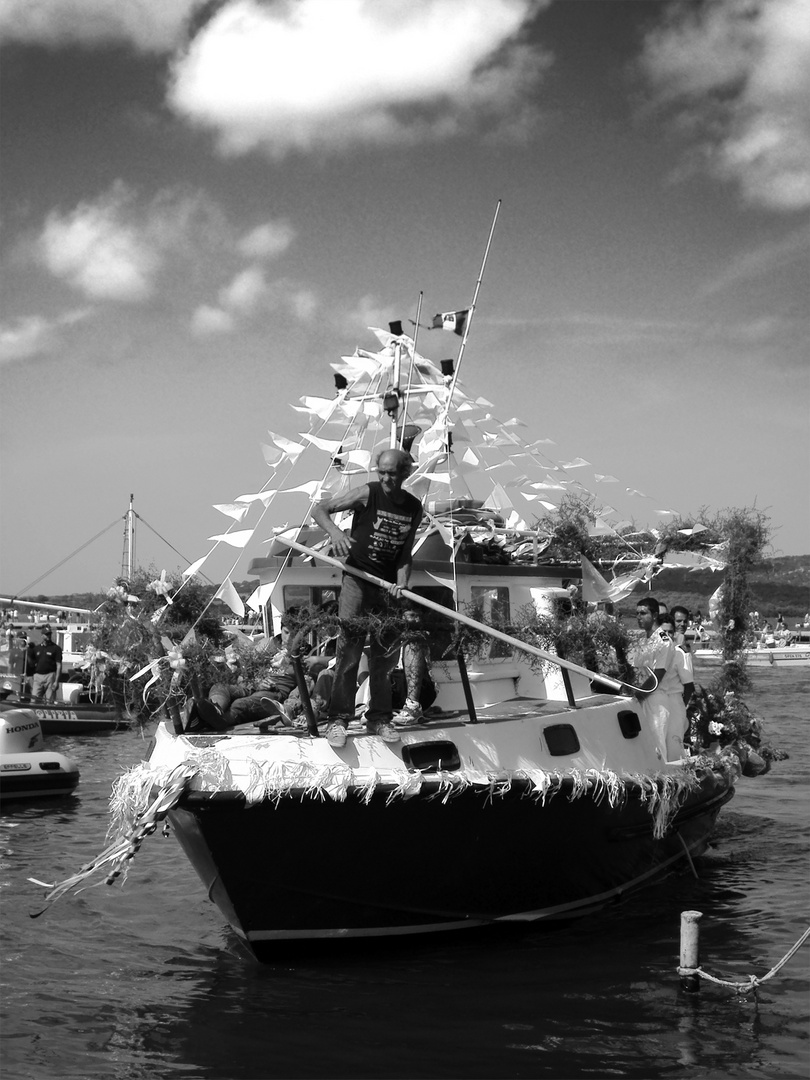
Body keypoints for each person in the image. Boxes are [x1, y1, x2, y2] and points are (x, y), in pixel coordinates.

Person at [312, 447, 423, 748]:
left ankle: (379, 718)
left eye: (393, 472)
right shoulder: (367, 493)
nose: (387, 478)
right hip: (357, 581)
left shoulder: (414, 507)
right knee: (348, 653)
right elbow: (320, 509)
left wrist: (402, 585)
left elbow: (404, 552)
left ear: (406, 473)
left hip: (386, 588)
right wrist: (335, 533)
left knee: (385, 658)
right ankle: (338, 720)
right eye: (382, 472)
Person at [629, 597, 682, 761]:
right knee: (641, 745)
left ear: (654, 615)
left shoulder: (664, 641)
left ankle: (661, 781)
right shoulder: (642, 640)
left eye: (643, 613)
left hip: (655, 699)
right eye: (637, 613)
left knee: (657, 745)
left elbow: (656, 677)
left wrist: (636, 696)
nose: (639, 617)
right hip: (640, 697)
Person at [656, 613, 694, 753]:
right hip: (656, 702)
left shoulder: (679, 654)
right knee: (657, 744)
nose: (666, 635)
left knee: (674, 744)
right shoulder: (652, 652)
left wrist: (681, 705)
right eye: (663, 632)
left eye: (670, 632)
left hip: (674, 701)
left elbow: (689, 685)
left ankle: (676, 773)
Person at [31, 624, 62, 703]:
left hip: (50, 676)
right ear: (42, 635)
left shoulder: (56, 648)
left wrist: (56, 681)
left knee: (50, 701)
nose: (49, 636)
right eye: (47, 634)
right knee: (34, 700)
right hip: (38, 677)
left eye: (50, 634)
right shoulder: (36, 648)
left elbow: (59, 665)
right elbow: (32, 663)